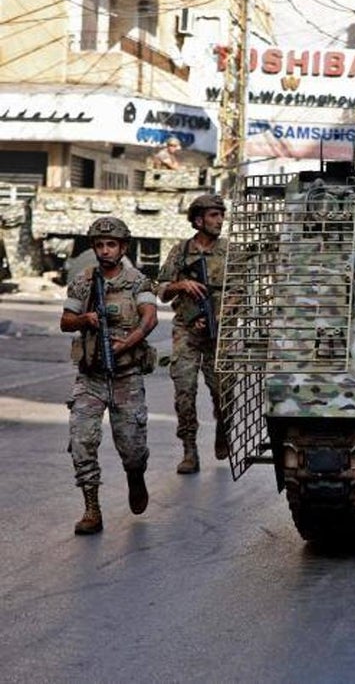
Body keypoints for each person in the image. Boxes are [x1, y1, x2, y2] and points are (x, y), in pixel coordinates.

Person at [61, 217, 158, 535]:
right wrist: (84, 319)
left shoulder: (137, 281)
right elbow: (66, 320)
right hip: (91, 376)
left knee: (131, 448)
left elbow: (150, 317)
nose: (105, 251)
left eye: (111, 245)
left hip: (126, 376)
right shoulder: (83, 281)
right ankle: (92, 509)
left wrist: (127, 343)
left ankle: (135, 475)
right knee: (81, 442)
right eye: (100, 245)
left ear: (123, 248)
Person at [157, 193, 229, 474]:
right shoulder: (181, 251)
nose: (220, 221)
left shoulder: (229, 252)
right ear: (198, 220)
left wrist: (220, 316)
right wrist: (181, 285)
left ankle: (224, 427)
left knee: (223, 393)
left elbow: (241, 291)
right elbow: (160, 290)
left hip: (219, 333)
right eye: (214, 215)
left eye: (221, 215)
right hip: (186, 330)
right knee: (184, 391)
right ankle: (189, 450)